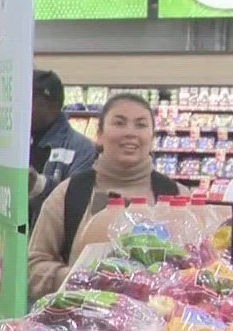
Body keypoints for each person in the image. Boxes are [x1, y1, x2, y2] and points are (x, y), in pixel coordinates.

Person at [28, 93, 185, 298]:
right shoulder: (70, 194)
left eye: (141, 125)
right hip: (84, 323)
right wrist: (84, 279)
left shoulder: (176, 196)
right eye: (119, 123)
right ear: (99, 134)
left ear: (152, 136)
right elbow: (33, 265)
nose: (130, 133)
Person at [0, 69, 98, 282]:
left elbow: (76, 209)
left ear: (50, 103)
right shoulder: (7, 146)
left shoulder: (81, 150)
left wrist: (39, 186)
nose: (18, 108)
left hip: (49, 279)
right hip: (0, 276)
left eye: (27, 100)